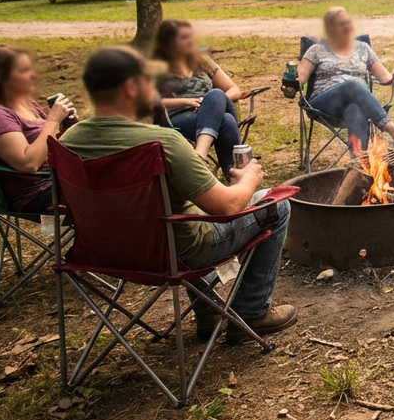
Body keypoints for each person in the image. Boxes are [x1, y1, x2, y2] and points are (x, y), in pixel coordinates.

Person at [60, 47, 297, 341]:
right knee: (277, 204)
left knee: (188, 211)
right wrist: (248, 178)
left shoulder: (66, 142)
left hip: (103, 253)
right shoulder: (163, 143)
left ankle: (208, 311)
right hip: (172, 255)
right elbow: (228, 206)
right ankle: (252, 313)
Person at [297, 7, 394, 152]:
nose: (347, 26)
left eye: (348, 22)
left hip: (356, 103)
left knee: (355, 109)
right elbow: (301, 75)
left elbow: (385, 77)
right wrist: (293, 81)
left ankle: (359, 160)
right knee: (352, 85)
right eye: (342, 24)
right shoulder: (316, 50)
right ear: (330, 29)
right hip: (324, 103)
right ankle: (391, 128)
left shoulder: (363, 48)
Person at [153, 19, 250, 177]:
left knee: (216, 95)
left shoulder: (201, 61)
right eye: (184, 37)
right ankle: (234, 175)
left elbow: (234, 89)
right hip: (174, 118)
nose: (191, 41)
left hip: (207, 112)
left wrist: (214, 105)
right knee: (226, 120)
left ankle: (201, 156)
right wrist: (184, 101)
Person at [0, 45, 76, 213]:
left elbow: (51, 144)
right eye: (24, 70)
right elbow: (28, 163)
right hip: (39, 193)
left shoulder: (28, 104)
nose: (34, 75)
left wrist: (66, 125)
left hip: (63, 181)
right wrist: (53, 120)